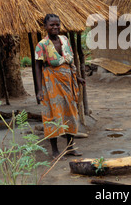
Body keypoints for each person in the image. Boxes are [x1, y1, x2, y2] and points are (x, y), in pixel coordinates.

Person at [34, 14, 85, 158]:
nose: (55, 27)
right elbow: (37, 67)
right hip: (51, 84)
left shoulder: (65, 40)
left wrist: (77, 77)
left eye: (57, 24)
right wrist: (39, 90)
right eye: (51, 25)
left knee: (70, 113)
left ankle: (70, 148)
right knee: (53, 115)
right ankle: (55, 150)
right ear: (45, 26)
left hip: (67, 82)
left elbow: (70, 63)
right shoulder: (42, 45)